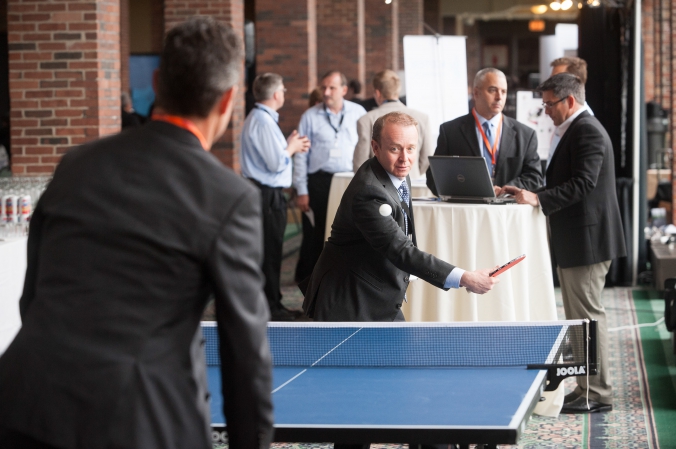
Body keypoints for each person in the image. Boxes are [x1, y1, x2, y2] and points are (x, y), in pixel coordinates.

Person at [0, 17, 273, 449]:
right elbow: (245, 349)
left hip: (24, 402)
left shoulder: (76, 164)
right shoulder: (229, 196)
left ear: (159, 82)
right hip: (133, 421)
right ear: (227, 101)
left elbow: (31, 295)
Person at [503, 73, 626, 414]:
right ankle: (587, 386)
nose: (546, 112)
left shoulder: (586, 129)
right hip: (579, 239)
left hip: (588, 240)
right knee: (579, 318)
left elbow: (583, 183)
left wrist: (537, 198)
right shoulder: (577, 127)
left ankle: (597, 393)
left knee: (587, 318)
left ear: (569, 101)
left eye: (549, 104)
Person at [302, 111, 498, 322]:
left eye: (411, 149)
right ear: (375, 147)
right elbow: (400, 250)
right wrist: (465, 278)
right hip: (348, 299)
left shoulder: (396, 173)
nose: (405, 158)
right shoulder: (368, 193)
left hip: (377, 291)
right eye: (395, 149)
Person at [240, 72, 310, 321]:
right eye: (283, 89)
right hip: (266, 195)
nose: (284, 93)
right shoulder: (263, 121)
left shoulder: (261, 118)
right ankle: (271, 308)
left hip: (265, 194)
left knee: (270, 252)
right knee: (269, 254)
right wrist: (292, 148)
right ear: (276, 94)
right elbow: (274, 164)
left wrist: (288, 144)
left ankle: (273, 303)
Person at [293, 70, 366, 282]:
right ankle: (313, 287)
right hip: (320, 182)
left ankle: (344, 280)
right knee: (318, 236)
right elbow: (300, 156)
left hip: (350, 181)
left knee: (351, 233)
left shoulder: (358, 112)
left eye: (331, 87)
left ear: (343, 90)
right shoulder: (310, 116)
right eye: (324, 87)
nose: (326, 92)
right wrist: (302, 190)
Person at [426, 68, 542, 196]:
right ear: (476, 93)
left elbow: (534, 178)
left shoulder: (525, 134)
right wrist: (468, 190)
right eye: (492, 90)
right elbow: (434, 177)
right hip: (467, 210)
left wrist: (506, 190)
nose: (499, 97)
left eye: (503, 91)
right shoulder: (450, 131)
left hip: (507, 211)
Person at [352, 70, 432, 180]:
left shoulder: (366, 119)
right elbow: (426, 159)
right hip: (412, 184)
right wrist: (409, 172)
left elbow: (360, 163)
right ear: (397, 91)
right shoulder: (423, 118)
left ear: (378, 93)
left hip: (377, 185)